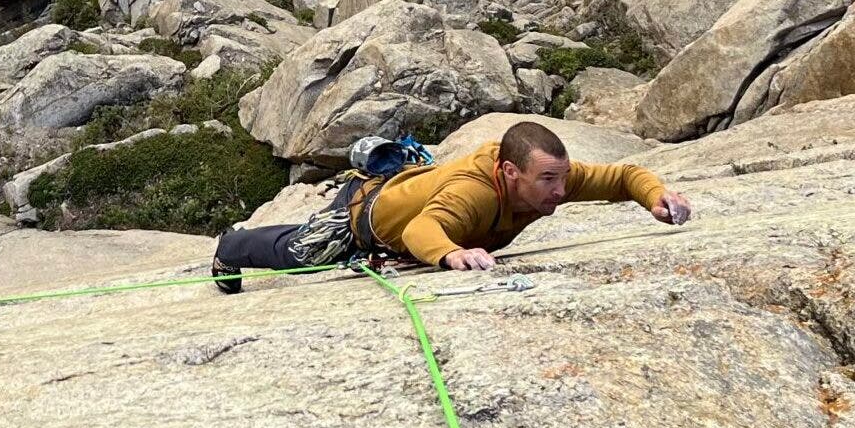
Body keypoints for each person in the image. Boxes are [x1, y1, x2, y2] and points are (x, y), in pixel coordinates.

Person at [212, 121, 692, 293]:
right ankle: (230, 248)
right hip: (364, 218)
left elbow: (623, 176)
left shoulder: (548, 177)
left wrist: (657, 196)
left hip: (404, 194)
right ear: (509, 172)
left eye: (562, 178)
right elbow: (425, 228)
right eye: (548, 180)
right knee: (299, 255)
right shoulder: (476, 191)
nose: (560, 192)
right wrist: (451, 255)